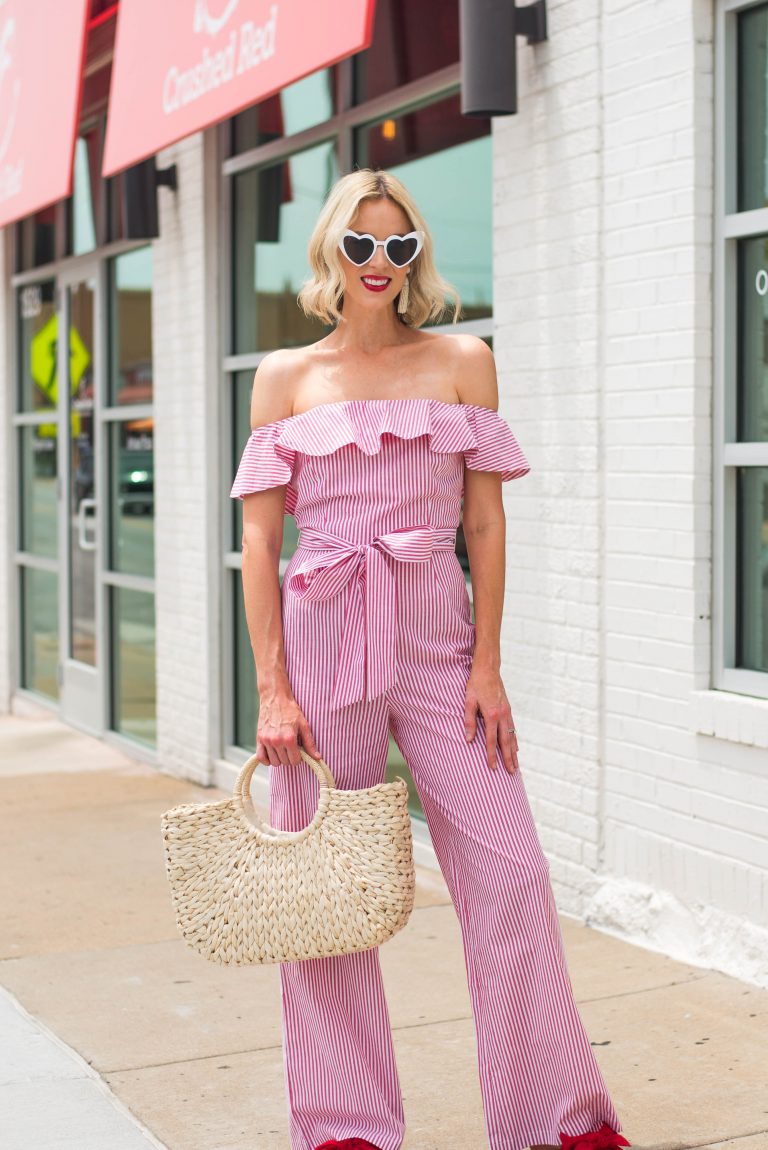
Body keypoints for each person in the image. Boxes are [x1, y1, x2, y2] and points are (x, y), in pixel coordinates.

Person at [230, 168, 629, 1150]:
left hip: (439, 649)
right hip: (324, 648)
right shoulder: (286, 377)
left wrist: (488, 665)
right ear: (331, 251)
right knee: (325, 895)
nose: (378, 263)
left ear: (416, 257)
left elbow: (485, 525)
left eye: (398, 245)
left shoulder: (463, 359)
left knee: (512, 877)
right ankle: (343, 1125)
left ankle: (553, 1118)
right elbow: (259, 546)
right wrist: (274, 689)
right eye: (360, 245)